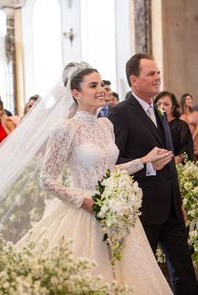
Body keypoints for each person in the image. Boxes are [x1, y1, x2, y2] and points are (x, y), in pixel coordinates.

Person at [16, 62, 173, 294]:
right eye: (93, 85)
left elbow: (109, 171)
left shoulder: (106, 125)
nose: (101, 89)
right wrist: (84, 201)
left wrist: (144, 161)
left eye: (101, 84)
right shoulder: (65, 128)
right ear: (76, 94)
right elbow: (47, 178)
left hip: (115, 214)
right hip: (83, 211)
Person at [108, 53, 198, 295]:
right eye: (151, 74)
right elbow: (113, 162)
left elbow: (168, 161)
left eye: (158, 72)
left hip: (170, 210)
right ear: (134, 80)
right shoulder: (121, 114)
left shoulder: (158, 111)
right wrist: (147, 166)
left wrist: (176, 201)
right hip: (143, 211)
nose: (158, 77)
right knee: (142, 275)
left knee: (185, 274)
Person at [154, 91, 194, 163]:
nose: (162, 107)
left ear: (173, 108)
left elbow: (185, 151)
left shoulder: (181, 125)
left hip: (176, 166)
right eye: (159, 104)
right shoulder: (153, 124)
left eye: (166, 104)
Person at [180, 93, 198, 159]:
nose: (190, 101)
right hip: (186, 142)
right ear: (183, 100)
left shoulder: (195, 114)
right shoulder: (180, 116)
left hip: (196, 139)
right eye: (188, 99)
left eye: (191, 99)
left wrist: (192, 138)